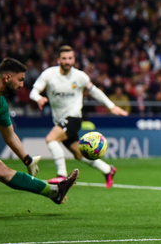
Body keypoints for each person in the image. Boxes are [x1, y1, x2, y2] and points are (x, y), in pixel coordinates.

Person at [30, 46, 129, 188]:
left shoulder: (80, 76)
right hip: (59, 120)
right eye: (64, 58)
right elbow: (33, 92)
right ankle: (108, 170)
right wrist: (38, 98)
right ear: (58, 60)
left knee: (51, 139)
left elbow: (95, 92)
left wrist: (111, 106)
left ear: (74, 60)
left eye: (70, 58)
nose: (67, 61)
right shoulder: (49, 74)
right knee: (78, 153)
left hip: (74, 117)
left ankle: (62, 175)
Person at [0, 58, 78, 204]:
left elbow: (9, 135)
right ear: (7, 78)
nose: (22, 85)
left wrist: (27, 160)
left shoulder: (1, 105)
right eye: (20, 80)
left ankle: (55, 192)